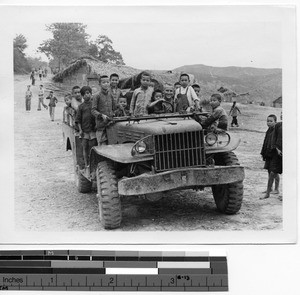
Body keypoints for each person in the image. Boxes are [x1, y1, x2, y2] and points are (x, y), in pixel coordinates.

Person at [75, 86, 97, 172]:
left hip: (93, 130)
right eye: (84, 94)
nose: (86, 96)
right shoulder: (81, 107)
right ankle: (86, 164)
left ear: (91, 94)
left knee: (93, 147)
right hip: (84, 131)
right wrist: (80, 130)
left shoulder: (94, 105)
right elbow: (78, 119)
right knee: (85, 147)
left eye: (88, 93)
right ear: (82, 96)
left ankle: (93, 164)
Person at [91, 75, 115, 146]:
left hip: (110, 125)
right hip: (101, 125)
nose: (106, 84)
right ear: (99, 84)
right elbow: (93, 110)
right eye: (103, 82)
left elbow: (114, 108)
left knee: (112, 145)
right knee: (102, 146)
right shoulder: (96, 96)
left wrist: (113, 113)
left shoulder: (110, 95)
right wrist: (101, 115)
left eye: (107, 82)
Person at [260, 114, 279, 200]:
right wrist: (263, 152)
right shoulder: (269, 130)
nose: (269, 123)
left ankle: (276, 189)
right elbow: (266, 142)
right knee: (269, 170)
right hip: (268, 153)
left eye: (271, 121)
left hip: (274, 153)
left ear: (275, 122)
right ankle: (270, 188)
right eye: (267, 121)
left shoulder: (276, 130)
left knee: (274, 172)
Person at [271, 112, 282, 201]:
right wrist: (277, 149)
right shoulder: (278, 125)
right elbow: (274, 138)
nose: (281, 115)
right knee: (275, 171)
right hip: (278, 152)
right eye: (281, 113)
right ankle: (275, 189)